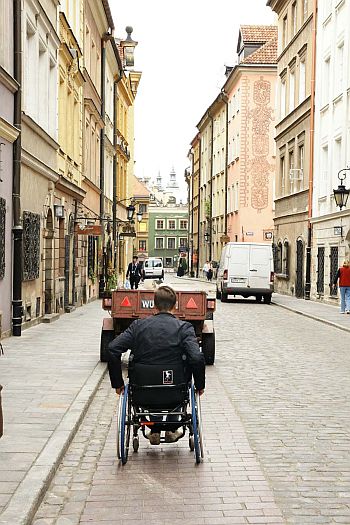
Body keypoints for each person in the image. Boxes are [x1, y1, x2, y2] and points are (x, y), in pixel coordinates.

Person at [108, 285, 205, 445]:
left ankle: (154, 429)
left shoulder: (138, 326)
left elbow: (112, 349)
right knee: (177, 377)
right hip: (175, 390)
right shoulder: (184, 328)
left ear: (154, 305)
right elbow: (196, 357)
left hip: (142, 390)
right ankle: (172, 429)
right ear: (175, 306)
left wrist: (117, 384)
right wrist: (200, 385)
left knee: (151, 386)